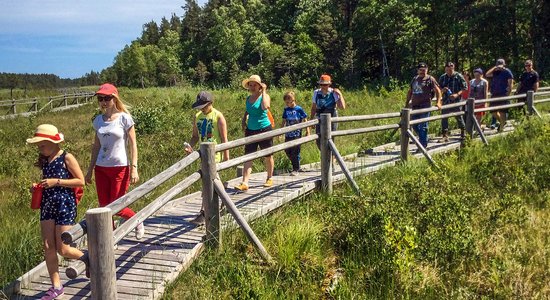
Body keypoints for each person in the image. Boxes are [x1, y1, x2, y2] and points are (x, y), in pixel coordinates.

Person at [27, 124, 87, 300]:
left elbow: (81, 181)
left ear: (53, 142)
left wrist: (57, 181)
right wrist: (37, 188)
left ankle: (87, 257)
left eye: (42, 145)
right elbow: (48, 182)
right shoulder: (45, 160)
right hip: (47, 204)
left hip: (64, 205)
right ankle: (56, 286)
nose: (40, 148)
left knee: (63, 248)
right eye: (38, 146)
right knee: (48, 246)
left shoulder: (67, 157)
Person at [85, 83, 144, 238]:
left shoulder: (125, 118)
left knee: (117, 206)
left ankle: (137, 220)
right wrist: (89, 170)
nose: (103, 102)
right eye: (100, 98)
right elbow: (96, 146)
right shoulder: (98, 120)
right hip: (101, 168)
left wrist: (134, 167)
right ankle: (110, 239)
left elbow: (133, 144)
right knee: (104, 207)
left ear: (115, 98)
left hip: (120, 168)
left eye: (107, 98)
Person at [184, 91, 229, 224]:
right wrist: (190, 146)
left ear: (210, 103)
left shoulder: (218, 116)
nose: (202, 109)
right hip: (203, 155)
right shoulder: (197, 116)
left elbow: (224, 138)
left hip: (215, 155)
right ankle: (225, 202)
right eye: (200, 106)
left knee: (207, 184)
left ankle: (204, 213)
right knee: (214, 183)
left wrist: (227, 157)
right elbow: (195, 136)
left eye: (204, 106)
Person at [235, 75, 274, 191]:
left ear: (259, 86)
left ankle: (269, 177)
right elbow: (248, 110)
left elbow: (265, 106)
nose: (252, 87)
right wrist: (243, 119)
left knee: (268, 155)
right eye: (250, 85)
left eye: (254, 85)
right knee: (248, 156)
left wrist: (264, 91)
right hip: (251, 129)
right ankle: (245, 183)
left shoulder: (264, 96)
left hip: (264, 129)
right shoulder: (248, 99)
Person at [406, 62, 442, 149]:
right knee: (414, 125)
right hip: (415, 106)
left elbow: (438, 90)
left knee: (423, 126)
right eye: (420, 70)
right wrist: (407, 103)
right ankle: (424, 139)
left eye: (424, 70)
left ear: (427, 70)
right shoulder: (415, 79)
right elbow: (410, 91)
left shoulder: (430, 79)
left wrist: (438, 102)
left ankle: (422, 146)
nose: (422, 72)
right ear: (417, 71)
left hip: (425, 106)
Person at [310, 74, 345, 148]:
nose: (323, 86)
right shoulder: (316, 92)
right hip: (320, 117)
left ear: (329, 84)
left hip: (332, 117)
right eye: (321, 84)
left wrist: (340, 95)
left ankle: (331, 157)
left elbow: (342, 107)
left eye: (325, 84)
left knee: (330, 138)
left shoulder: (333, 92)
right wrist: (311, 119)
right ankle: (326, 158)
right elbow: (313, 107)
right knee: (318, 139)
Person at [281, 91, 310, 175]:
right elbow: (284, 121)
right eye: (287, 102)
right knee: (287, 150)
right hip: (288, 133)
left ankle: (296, 169)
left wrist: (307, 131)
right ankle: (296, 164)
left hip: (297, 133)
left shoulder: (299, 109)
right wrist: (280, 132)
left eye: (291, 101)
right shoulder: (286, 110)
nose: (289, 103)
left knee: (295, 150)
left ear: (294, 100)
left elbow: (305, 119)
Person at [439, 62, 467, 141]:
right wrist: (442, 90)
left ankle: (463, 133)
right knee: (444, 118)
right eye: (447, 70)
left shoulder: (458, 76)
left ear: (453, 69)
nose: (449, 72)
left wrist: (457, 94)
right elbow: (438, 88)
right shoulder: (443, 77)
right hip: (445, 101)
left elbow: (465, 87)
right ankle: (445, 135)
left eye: (450, 70)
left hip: (456, 101)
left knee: (459, 116)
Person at [485, 58, 514, 132]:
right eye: (498, 65)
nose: (499, 67)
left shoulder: (507, 71)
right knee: (493, 111)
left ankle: (501, 128)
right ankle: (502, 123)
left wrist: (509, 92)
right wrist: (495, 68)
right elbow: (487, 74)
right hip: (494, 93)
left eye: (500, 65)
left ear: (504, 65)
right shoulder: (495, 71)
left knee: (502, 111)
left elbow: (510, 83)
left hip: (503, 93)